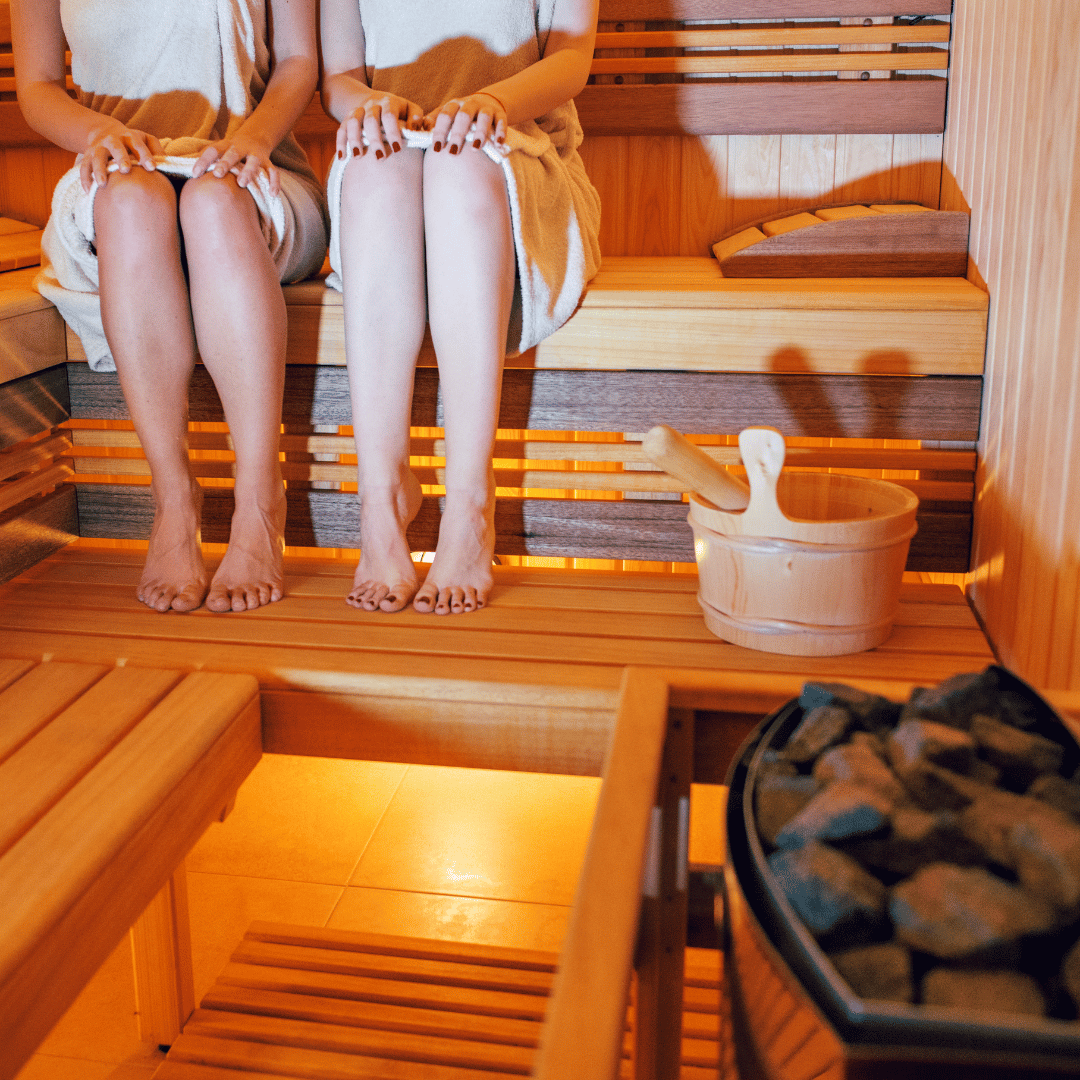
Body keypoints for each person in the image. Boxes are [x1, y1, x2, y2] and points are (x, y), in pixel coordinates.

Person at [11, 0, 329, 613]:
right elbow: (38, 87)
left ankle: (261, 499)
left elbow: (299, 59)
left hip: (257, 175)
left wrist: (252, 141)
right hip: (118, 176)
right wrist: (100, 134)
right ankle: (174, 501)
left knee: (215, 200)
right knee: (131, 202)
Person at [320, 0, 601, 615]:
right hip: (389, 162)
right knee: (374, 168)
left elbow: (571, 58)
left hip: (519, 154)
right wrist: (366, 107)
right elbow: (336, 79)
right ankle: (381, 497)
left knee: (461, 163)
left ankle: (470, 503)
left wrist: (495, 104)